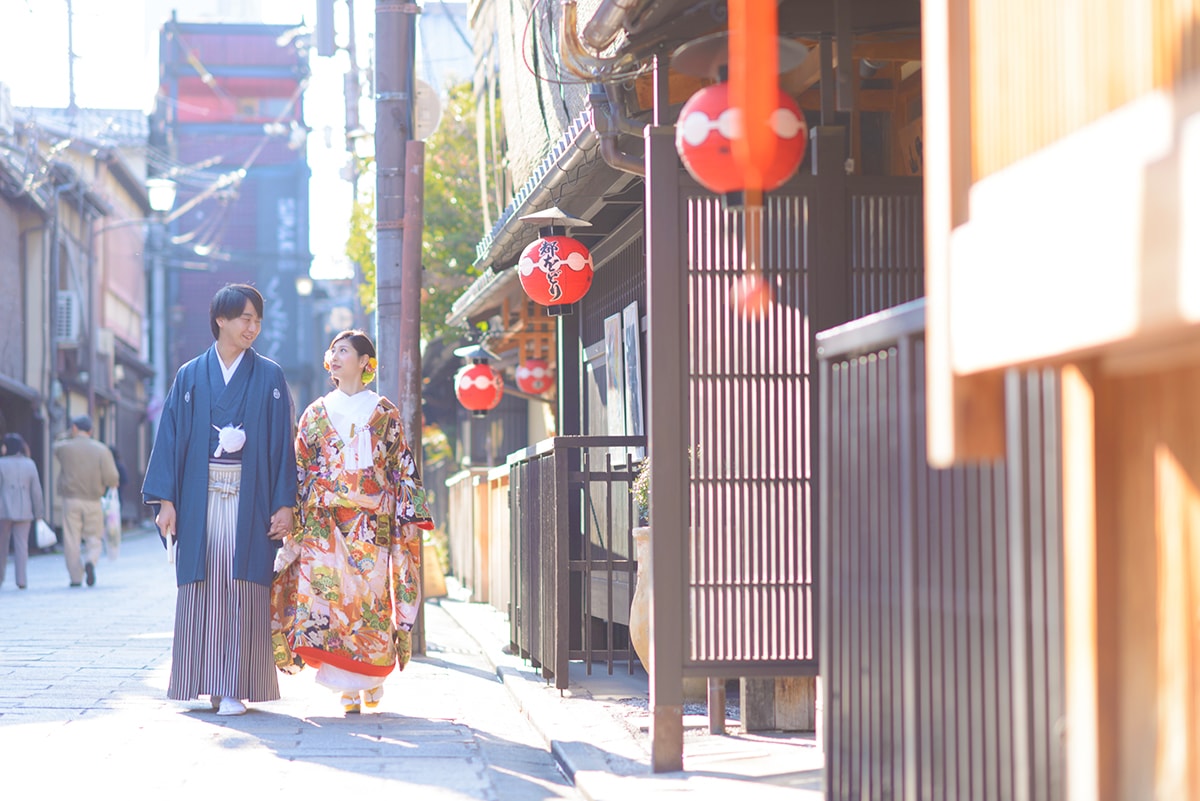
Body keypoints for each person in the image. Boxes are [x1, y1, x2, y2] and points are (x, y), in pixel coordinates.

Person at [143, 283, 297, 717]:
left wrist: (284, 502)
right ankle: (204, 681)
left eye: (257, 320)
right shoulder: (190, 375)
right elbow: (170, 438)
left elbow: (282, 442)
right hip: (199, 497)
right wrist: (165, 501)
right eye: (245, 318)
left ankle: (235, 686)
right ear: (220, 320)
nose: (253, 327)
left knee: (242, 586)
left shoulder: (269, 375)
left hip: (249, 497)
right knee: (204, 585)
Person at [271, 329, 432, 714]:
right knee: (329, 601)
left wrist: (408, 515)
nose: (335, 355)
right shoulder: (314, 412)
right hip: (324, 524)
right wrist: (292, 510)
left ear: (364, 362)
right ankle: (346, 686)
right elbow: (300, 466)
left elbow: (401, 466)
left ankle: (371, 676)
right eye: (332, 350)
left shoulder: (383, 411)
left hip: (370, 524)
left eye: (344, 350)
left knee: (369, 601)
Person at [53, 415, 119, 587]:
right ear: (91, 431)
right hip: (93, 499)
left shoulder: (65, 447)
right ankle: (90, 560)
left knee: (71, 539)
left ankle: (76, 577)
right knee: (94, 536)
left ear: (75, 428)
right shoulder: (101, 450)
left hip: (71, 499)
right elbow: (112, 478)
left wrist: (69, 433)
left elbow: (55, 444)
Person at [0, 433, 44, 590]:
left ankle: (0, 577)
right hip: (25, 510)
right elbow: (36, 491)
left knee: (2, 545)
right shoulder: (29, 464)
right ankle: (21, 580)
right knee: (21, 545)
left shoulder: (1, 463)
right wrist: (39, 513)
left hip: (3, 510)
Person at [101, 445, 127, 559]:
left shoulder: (105, 466)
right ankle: (113, 540)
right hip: (117, 498)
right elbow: (126, 480)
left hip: (104, 498)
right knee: (114, 521)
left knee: (103, 521)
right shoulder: (120, 466)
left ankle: (104, 540)